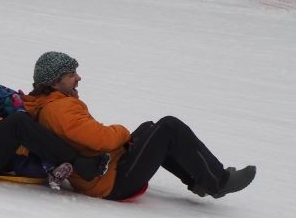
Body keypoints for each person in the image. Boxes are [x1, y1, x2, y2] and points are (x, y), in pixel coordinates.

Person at [22, 51, 257, 201]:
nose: (79, 78)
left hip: (103, 170)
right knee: (169, 128)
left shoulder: (51, 104)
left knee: (149, 129)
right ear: (54, 81)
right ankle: (219, 182)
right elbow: (102, 139)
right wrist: (122, 132)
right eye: (72, 74)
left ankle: (198, 180)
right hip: (109, 181)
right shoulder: (59, 109)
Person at [0, 13, 108, 185]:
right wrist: (28, 144)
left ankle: (75, 159)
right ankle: (79, 162)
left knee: (20, 116)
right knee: (18, 121)